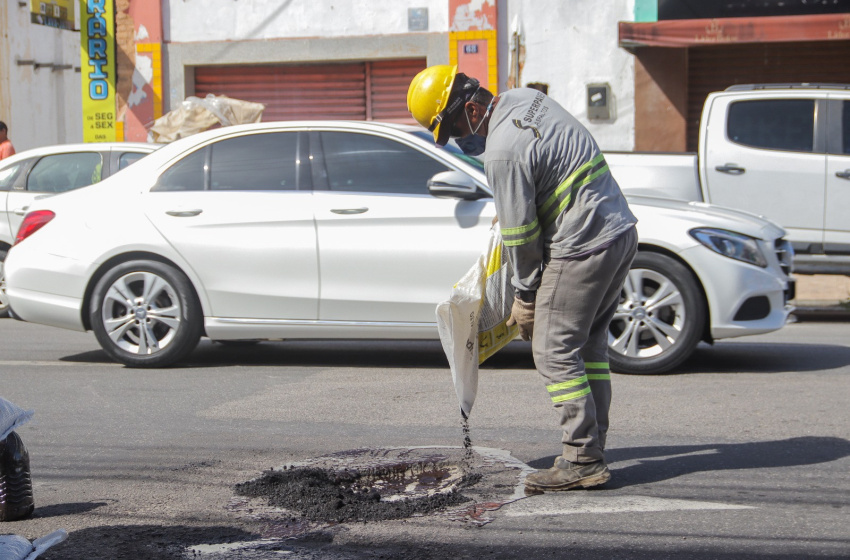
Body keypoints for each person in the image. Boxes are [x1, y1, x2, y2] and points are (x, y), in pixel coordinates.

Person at [408, 66, 638, 492]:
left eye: (456, 127)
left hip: (583, 242)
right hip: (618, 231)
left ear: (473, 107)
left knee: (552, 351)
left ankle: (582, 459)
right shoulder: (524, 98)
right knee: (587, 347)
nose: (460, 139)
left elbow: (521, 235)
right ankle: (592, 446)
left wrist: (525, 295)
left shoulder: (500, 152)